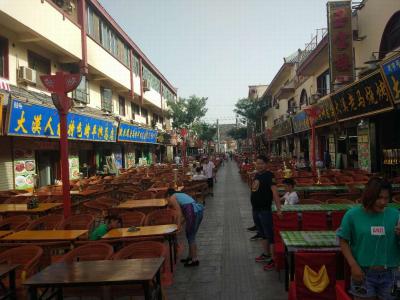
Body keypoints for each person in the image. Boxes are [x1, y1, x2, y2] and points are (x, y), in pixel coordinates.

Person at [337, 177, 400, 300]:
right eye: (379, 198)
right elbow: (343, 240)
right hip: (362, 273)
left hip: (391, 274)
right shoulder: (352, 215)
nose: (383, 202)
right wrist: (353, 265)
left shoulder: (396, 215)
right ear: (369, 196)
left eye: (386, 198)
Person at [251, 155, 282, 271]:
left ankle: (273, 259)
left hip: (265, 209)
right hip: (256, 209)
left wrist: (279, 209)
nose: (259, 165)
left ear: (266, 164)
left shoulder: (270, 176)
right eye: (257, 163)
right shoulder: (257, 174)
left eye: (262, 163)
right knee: (262, 233)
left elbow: (274, 193)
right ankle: (266, 254)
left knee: (270, 234)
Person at [166, 188, 204, 267]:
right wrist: (179, 224)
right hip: (197, 211)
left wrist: (178, 227)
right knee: (190, 235)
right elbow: (184, 215)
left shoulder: (173, 197)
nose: (168, 202)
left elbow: (179, 213)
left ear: (168, 195)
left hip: (194, 212)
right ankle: (190, 257)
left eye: (166, 199)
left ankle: (194, 259)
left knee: (191, 236)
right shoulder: (180, 195)